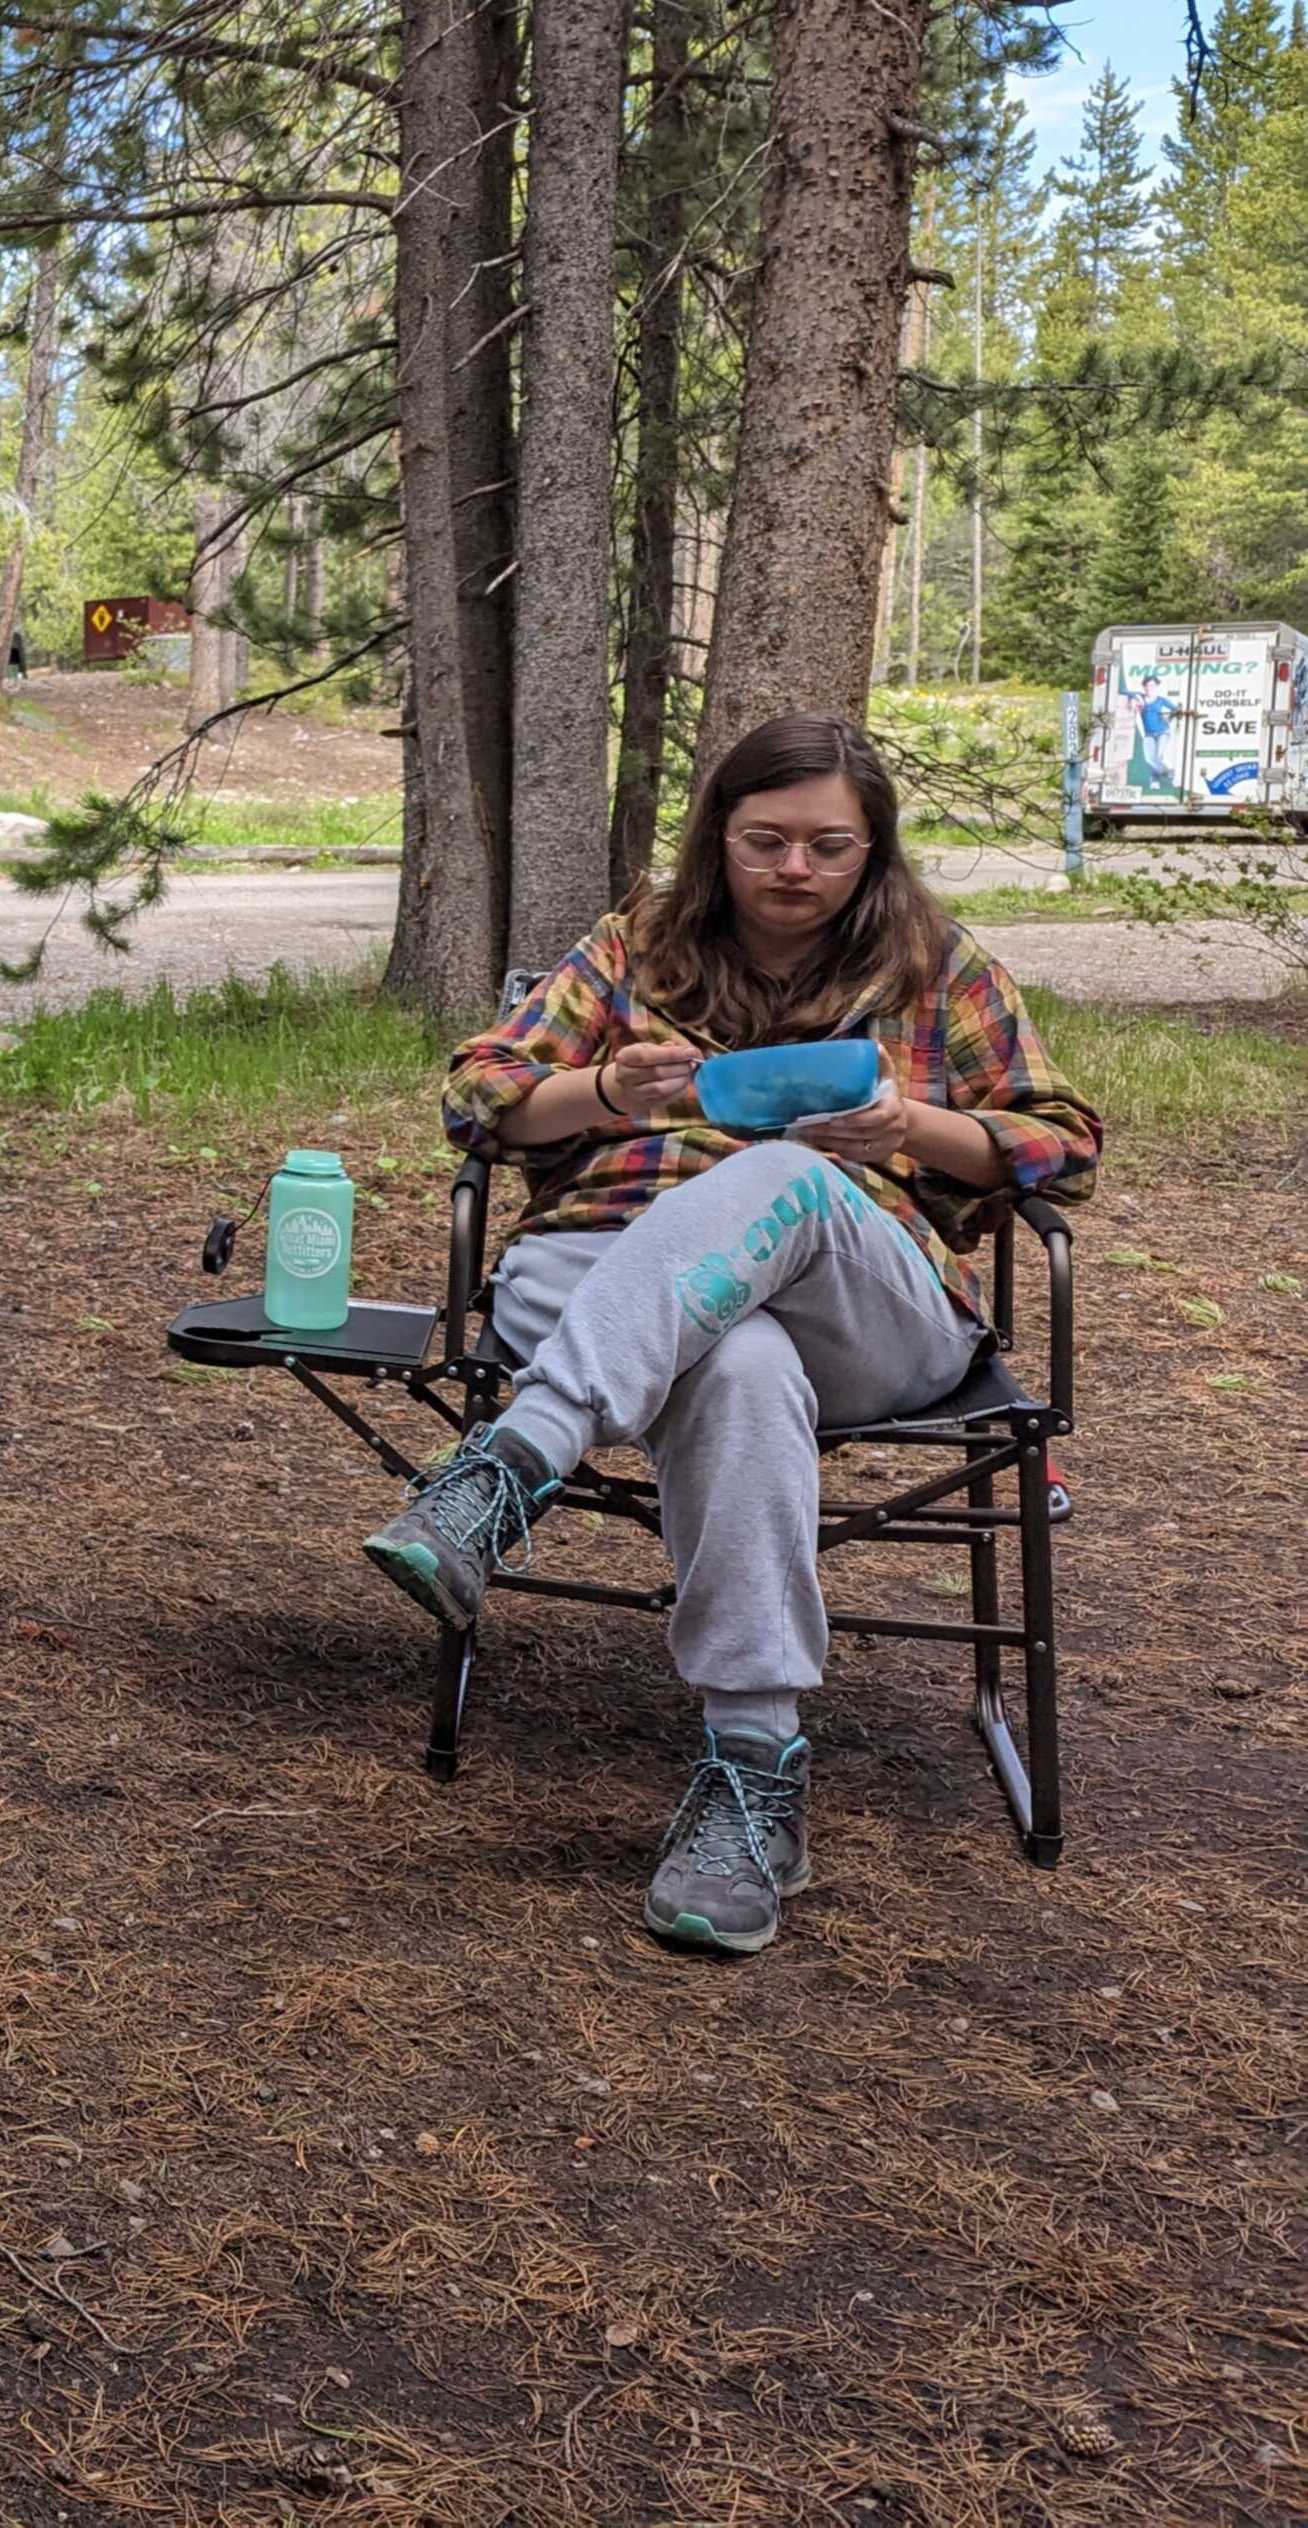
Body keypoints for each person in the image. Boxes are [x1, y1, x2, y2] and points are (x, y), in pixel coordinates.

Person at [362, 712, 1100, 1957]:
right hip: (610, 1263)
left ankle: (509, 1466)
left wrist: (912, 1129)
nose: (795, 870)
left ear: (873, 850)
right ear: (720, 837)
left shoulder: (937, 966)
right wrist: (604, 1091)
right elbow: (480, 1093)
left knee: (781, 1181)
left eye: (829, 846)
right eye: (765, 841)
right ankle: (755, 1777)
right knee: (735, 1360)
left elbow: (1061, 1144)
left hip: (858, 1301)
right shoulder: (636, 947)